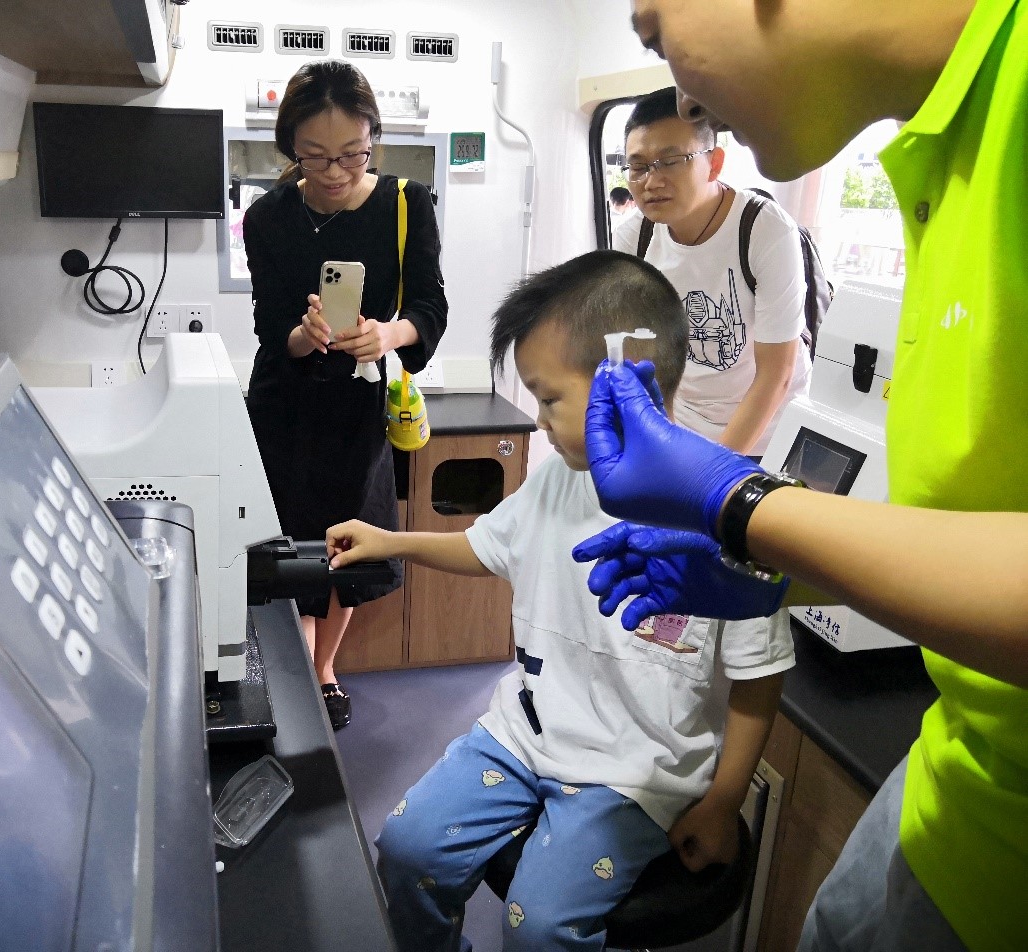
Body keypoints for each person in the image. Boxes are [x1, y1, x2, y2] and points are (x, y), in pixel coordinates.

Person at [578, 1, 1026, 949]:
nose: (682, 98)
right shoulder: (945, 153)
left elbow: (776, 372)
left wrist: (737, 502)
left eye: (657, 35)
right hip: (957, 772)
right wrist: (773, 569)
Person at [327, 250, 794, 952]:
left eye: (548, 400)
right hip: (526, 733)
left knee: (539, 925)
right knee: (407, 848)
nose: (538, 420)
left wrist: (724, 801)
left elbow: (759, 677)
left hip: (635, 771)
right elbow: (487, 546)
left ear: (623, 382)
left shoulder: (720, 514)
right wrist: (390, 541)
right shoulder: (557, 481)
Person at [242, 59, 448, 731]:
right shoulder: (268, 217)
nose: (335, 172)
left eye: (353, 154)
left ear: (373, 141)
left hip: (357, 406)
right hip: (283, 406)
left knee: (347, 548)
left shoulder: (405, 204)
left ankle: (322, 669)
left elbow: (430, 306)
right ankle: (293, 674)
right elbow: (268, 325)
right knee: (282, 546)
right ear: (291, 148)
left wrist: (387, 334)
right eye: (315, 156)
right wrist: (304, 337)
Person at [613, 88, 811, 457]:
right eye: (638, 167)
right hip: (685, 424)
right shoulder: (633, 239)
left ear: (715, 164)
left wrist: (712, 473)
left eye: (671, 161)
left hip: (769, 433)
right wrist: (663, 439)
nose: (651, 182)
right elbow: (640, 355)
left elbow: (776, 375)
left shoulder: (764, 231)